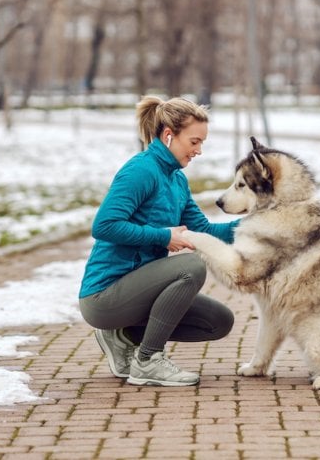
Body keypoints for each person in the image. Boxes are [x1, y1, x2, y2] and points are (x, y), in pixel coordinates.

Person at [78, 96, 238, 387]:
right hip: (103, 295)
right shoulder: (141, 170)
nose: (199, 150)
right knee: (191, 266)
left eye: (202, 143)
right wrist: (165, 237)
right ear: (168, 136)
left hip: (137, 291)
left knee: (218, 321)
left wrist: (257, 226)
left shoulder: (177, 180)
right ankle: (148, 361)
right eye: (194, 142)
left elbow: (202, 231)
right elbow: (104, 226)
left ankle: (122, 335)